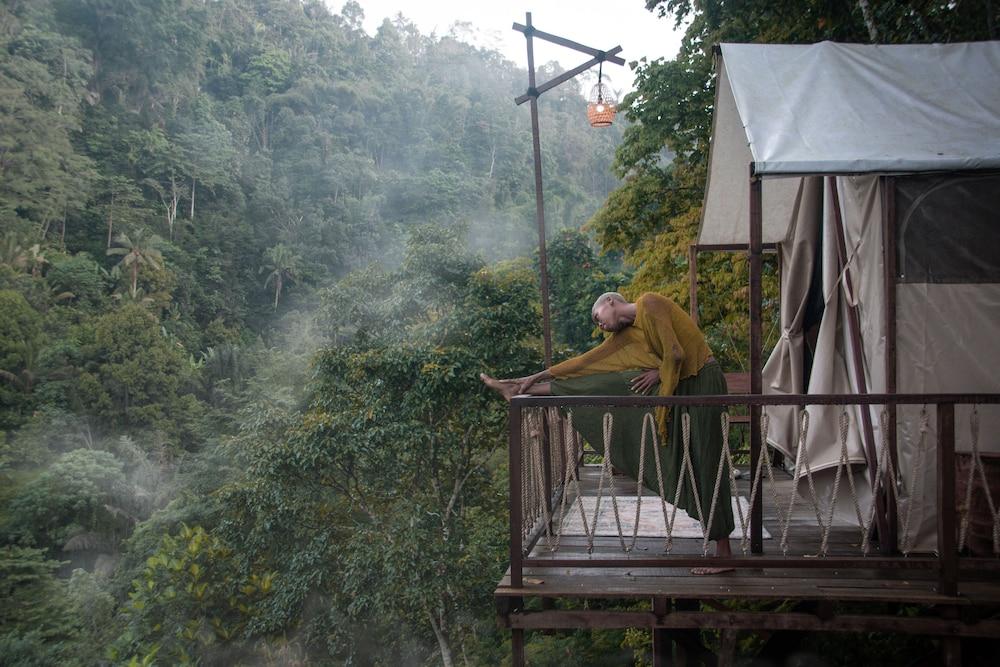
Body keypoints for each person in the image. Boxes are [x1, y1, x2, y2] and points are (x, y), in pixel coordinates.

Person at [481, 292, 734, 574]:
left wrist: (660, 373)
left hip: (702, 382)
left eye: (596, 316)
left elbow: (675, 354)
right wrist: (536, 376)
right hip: (678, 384)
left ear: (611, 302)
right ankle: (520, 388)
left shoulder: (649, 303)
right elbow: (586, 363)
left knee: (707, 461)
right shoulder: (627, 335)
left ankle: (724, 555)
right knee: (613, 381)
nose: (598, 324)